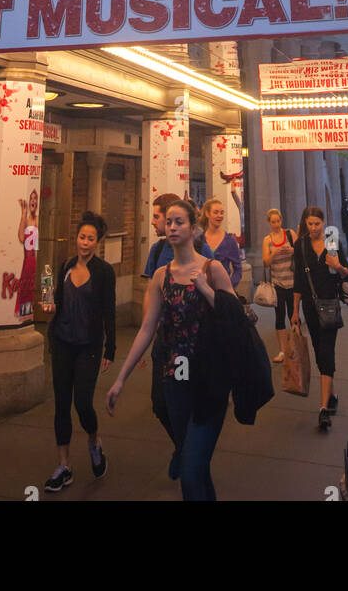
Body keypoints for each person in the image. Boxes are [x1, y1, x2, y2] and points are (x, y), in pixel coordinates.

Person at [107, 198, 238, 501]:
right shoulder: (160, 276)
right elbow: (146, 329)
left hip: (209, 378)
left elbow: (234, 315)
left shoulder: (212, 268)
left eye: (179, 221)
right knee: (197, 470)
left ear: (194, 228)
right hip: (176, 376)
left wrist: (206, 291)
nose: (173, 227)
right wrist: (120, 379)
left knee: (191, 477)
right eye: (169, 222)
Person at [42, 211, 116, 493]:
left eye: (90, 239)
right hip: (62, 342)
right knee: (61, 404)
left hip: (89, 346)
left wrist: (111, 347)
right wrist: (48, 303)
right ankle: (64, 466)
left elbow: (109, 310)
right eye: (82, 237)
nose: (85, 243)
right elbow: (52, 296)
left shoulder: (104, 272)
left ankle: (94, 441)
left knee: (82, 403)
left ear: (98, 241)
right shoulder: (64, 266)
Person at [292, 206, 348, 432]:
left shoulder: (331, 239)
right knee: (319, 352)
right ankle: (332, 395)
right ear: (306, 224)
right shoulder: (301, 245)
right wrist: (295, 310)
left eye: (318, 224)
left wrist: (338, 267)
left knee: (327, 351)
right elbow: (298, 279)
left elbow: (347, 272)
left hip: (329, 302)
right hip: (309, 305)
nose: (314, 228)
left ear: (324, 223)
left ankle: (323, 408)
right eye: (310, 224)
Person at [143, 193, 214, 279]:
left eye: (156, 217)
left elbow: (216, 287)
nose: (152, 222)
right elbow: (151, 287)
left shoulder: (202, 249)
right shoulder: (157, 249)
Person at [261, 208, 297, 363]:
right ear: (269, 223)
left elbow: (300, 253)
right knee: (280, 317)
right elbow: (265, 263)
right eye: (273, 222)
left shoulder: (290, 234)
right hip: (278, 283)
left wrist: (291, 250)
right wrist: (275, 253)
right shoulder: (267, 240)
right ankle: (282, 350)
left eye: (278, 221)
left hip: (293, 282)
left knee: (294, 316)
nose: (276, 224)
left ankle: (295, 347)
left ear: (281, 220)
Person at [200, 197, 242, 289]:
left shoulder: (230, 240)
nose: (219, 215)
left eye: (222, 213)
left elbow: (238, 270)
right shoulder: (199, 240)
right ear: (207, 214)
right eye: (216, 212)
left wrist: (228, 286)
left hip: (223, 292)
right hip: (202, 291)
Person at [15, 189, 39, 318]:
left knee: (32, 286)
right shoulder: (27, 219)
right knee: (25, 287)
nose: (33, 201)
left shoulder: (38, 219)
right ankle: (25, 312)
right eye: (31, 198)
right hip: (27, 260)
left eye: (35, 198)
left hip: (35, 259)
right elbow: (21, 237)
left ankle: (32, 311)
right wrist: (23, 214)